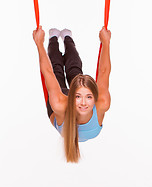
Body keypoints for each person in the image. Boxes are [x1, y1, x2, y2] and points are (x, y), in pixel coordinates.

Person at [33, 27, 111, 163]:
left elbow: (104, 71)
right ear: (72, 96)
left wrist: (40, 43)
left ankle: (57, 40)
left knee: (58, 73)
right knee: (73, 71)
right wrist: (106, 42)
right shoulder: (62, 102)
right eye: (78, 96)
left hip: (59, 112)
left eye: (89, 97)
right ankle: (64, 39)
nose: (83, 103)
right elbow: (48, 72)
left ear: (95, 97)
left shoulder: (59, 104)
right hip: (66, 105)